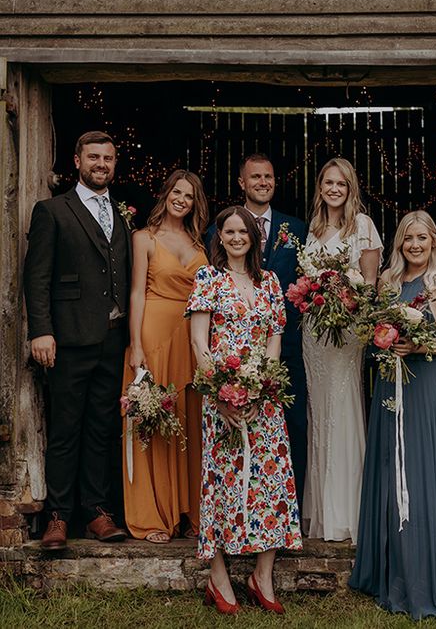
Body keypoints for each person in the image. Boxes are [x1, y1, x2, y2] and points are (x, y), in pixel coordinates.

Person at [349, 210, 436, 620]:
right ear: (398, 244)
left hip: (425, 384)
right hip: (389, 385)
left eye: (421, 238)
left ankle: (422, 576)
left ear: (434, 240)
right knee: (388, 467)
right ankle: (389, 571)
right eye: (407, 239)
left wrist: (418, 346)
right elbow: (374, 331)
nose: (414, 245)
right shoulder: (387, 283)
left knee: (418, 472)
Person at [188, 206, 301, 615]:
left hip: (263, 399)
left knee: (271, 486)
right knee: (221, 483)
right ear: (219, 237)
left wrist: (262, 388)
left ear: (255, 237)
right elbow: (200, 343)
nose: (236, 238)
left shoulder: (269, 281)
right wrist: (220, 393)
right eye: (229, 232)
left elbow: (274, 339)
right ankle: (218, 577)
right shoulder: (208, 278)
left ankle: (261, 576)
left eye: (244, 232)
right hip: (220, 397)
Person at [23, 130, 129, 549]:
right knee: (66, 429)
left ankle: (97, 513)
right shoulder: (52, 210)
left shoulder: (121, 215)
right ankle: (58, 517)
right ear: (77, 161)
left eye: (108, 158)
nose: (101, 164)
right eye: (94, 157)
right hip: (67, 340)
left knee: (102, 429)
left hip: (112, 340)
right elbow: (37, 275)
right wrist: (40, 330)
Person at [210, 152, 309, 513]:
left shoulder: (296, 228)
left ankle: (285, 506)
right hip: (234, 352)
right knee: (234, 432)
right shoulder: (218, 229)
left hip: (287, 344)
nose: (262, 182)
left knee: (291, 425)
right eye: (255, 177)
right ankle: (237, 508)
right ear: (242, 182)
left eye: (268, 176)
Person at [121, 169, 208, 543]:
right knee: (154, 422)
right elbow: (137, 292)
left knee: (190, 422)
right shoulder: (144, 237)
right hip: (154, 333)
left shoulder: (201, 242)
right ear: (166, 194)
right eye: (177, 192)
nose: (181, 200)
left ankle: (191, 513)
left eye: (189, 196)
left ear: (194, 203)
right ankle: (155, 516)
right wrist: (137, 345)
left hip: (192, 336)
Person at [302, 157, 383, 544]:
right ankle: (320, 513)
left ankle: (347, 513)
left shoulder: (363, 227)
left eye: (342, 184)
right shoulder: (314, 229)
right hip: (314, 332)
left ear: (351, 189)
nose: (334, 189)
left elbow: (369, 284)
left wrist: (346, 303)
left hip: (345, 331)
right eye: (328, 182)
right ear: (320, 187)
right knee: (319, 414)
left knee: (344, 409)